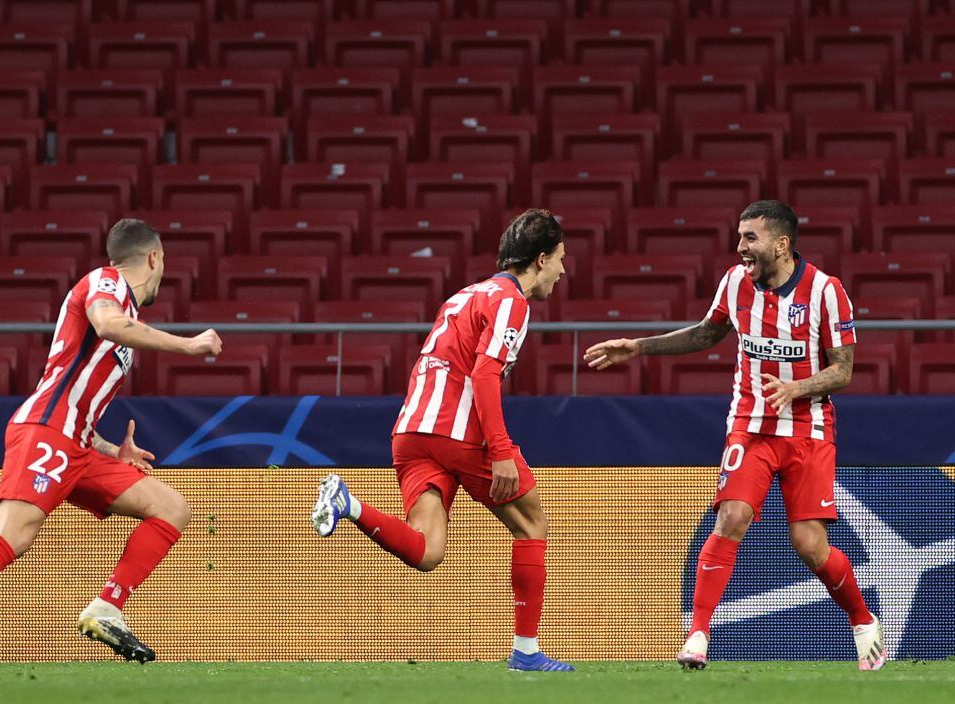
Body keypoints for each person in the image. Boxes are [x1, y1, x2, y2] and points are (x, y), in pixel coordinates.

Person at [0, 219, 223, 675]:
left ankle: (108, 608)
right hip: (44, 431)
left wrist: (113, 451)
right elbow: (109, 325)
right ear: (154, 258)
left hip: (79, 443)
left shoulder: (128, 309)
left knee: (171, 508)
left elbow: (81, 397)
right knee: (15, 535)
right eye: (164, 262)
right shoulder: (104, 283)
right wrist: (189, 347)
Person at [584, 200, 886, 671]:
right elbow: (708, 333)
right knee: (732, 516)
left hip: (809, 430)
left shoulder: (826, 291)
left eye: (750, 237)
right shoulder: (734, 283)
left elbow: (843, 370)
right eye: (740, 236)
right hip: (749, 425)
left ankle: (863, 621)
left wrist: (797, 387)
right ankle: (698, 636)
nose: (740, 246)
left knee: (809, 545)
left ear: (782, 244)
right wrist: (638, 346)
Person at [311, 208, 573, 672]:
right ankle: (526, 653)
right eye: (559, 259)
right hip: (458, 429)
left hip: (410, 429)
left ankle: (347, 504)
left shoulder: (466, 293)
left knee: (427, 550)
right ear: (539, 258)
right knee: (533, 526)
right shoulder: (512, 300)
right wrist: (500, 449)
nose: (562, 270)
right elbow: (485, 374)